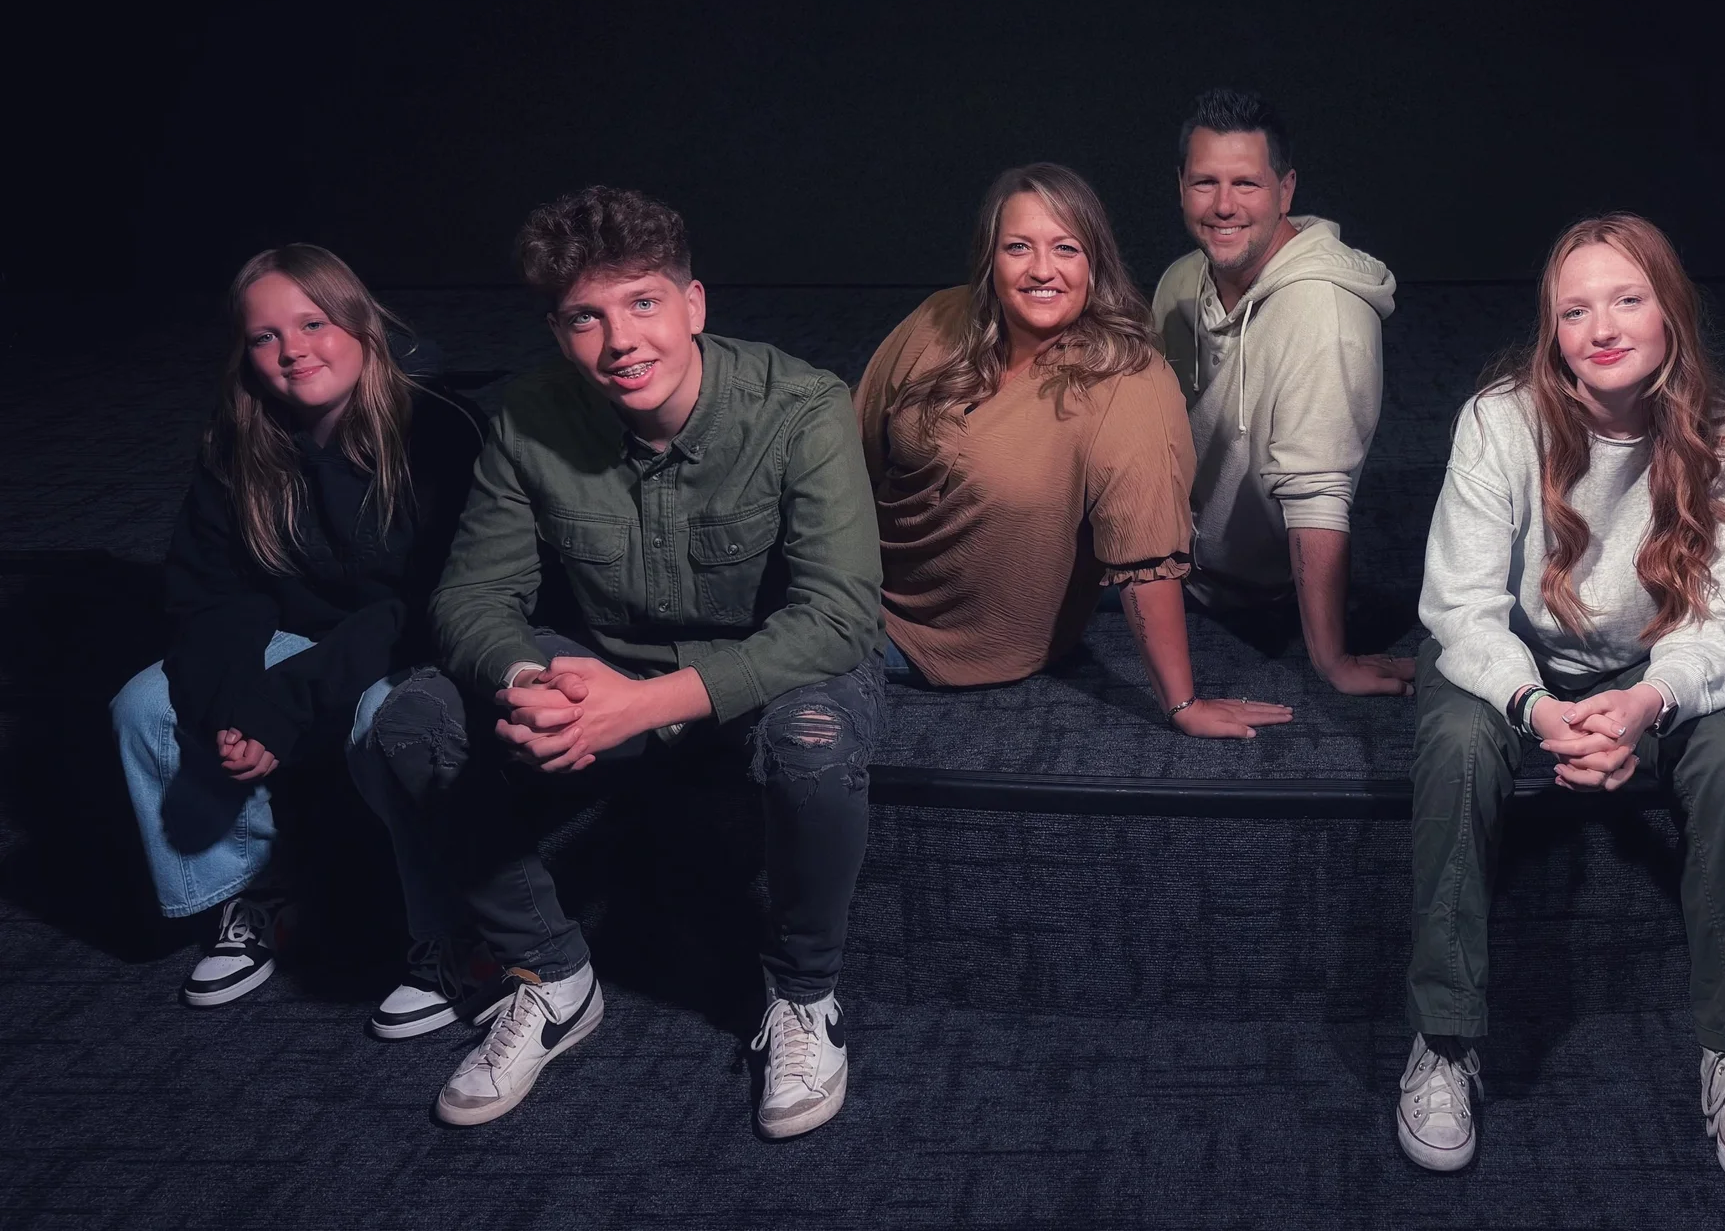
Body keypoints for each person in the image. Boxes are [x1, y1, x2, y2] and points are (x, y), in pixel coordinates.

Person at [358, 187, 886, 1138]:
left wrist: (640, 707)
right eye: (584, 318)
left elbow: (840, 616)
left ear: (694, 303)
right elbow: (473, 598)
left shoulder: (802, 405)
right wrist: (530, 681)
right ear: (557, 329)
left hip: (772, 670)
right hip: (598, 662)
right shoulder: (527, 417)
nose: (619, 341)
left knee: (814, 742)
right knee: (410, 722)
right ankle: (552, 975)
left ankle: (804, 998)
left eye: (643, 302)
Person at [1401, 215, 1725, 1194]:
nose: (1600, 325)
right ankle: (1443, 1039)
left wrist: (1646, 705)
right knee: (1454, 741)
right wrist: (1536, 708)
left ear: (1672, 310)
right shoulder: (1502, 417)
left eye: (1626, 298)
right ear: (1550, 328)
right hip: (1516, 658)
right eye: (1573, 309)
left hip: (1662, 670)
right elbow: (1459, 604)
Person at [108, 244, 488, 1035]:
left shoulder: (441, 429)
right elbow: (210, 591)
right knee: (145, 707)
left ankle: (454, 938)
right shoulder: (239, 440)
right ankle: (253, 899)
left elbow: (429, 606)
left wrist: (286, 705)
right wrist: (230, 706)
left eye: (313, 323)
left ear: (360, 325)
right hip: (305, 637)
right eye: (265, 337)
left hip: (421, 641)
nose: (293, 351)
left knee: (391, 727)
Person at [859, 162, 1292, 739]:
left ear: (1094, 263)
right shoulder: (940, 318)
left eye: (1066, 248)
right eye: (1018, 246)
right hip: (850, 581)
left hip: (949, 643)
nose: (1042, 269)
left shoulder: (1127, 382)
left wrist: (1181, 704)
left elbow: (1146, 557)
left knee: (740, 640)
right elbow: (852, 453)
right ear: (992, 258)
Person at [1150, 88, 1412, 696]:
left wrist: (1333, 661)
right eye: (1203, 182)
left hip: (1258, 600)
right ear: (1180, 186)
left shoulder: (1326, 313)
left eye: (1247, 183)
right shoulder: (1181, 280)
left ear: (1286, 190)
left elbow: (1316, 491)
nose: (1222, 205)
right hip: (1171, 567)